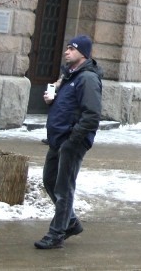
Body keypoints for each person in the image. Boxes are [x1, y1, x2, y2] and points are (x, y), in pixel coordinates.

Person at [35, 35, 103, 250]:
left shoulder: (87, 79)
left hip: (71, 141)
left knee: (64, 189)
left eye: (71, 49)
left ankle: (56, 234)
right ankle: (71, 222)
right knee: (50, 181)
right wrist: (51, 101)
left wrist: (73, 140)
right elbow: (67, 107)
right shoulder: (69, 76)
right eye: (66, 48)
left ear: (83, 53)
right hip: (58, 139)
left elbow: (92, 115)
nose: (66, 52)